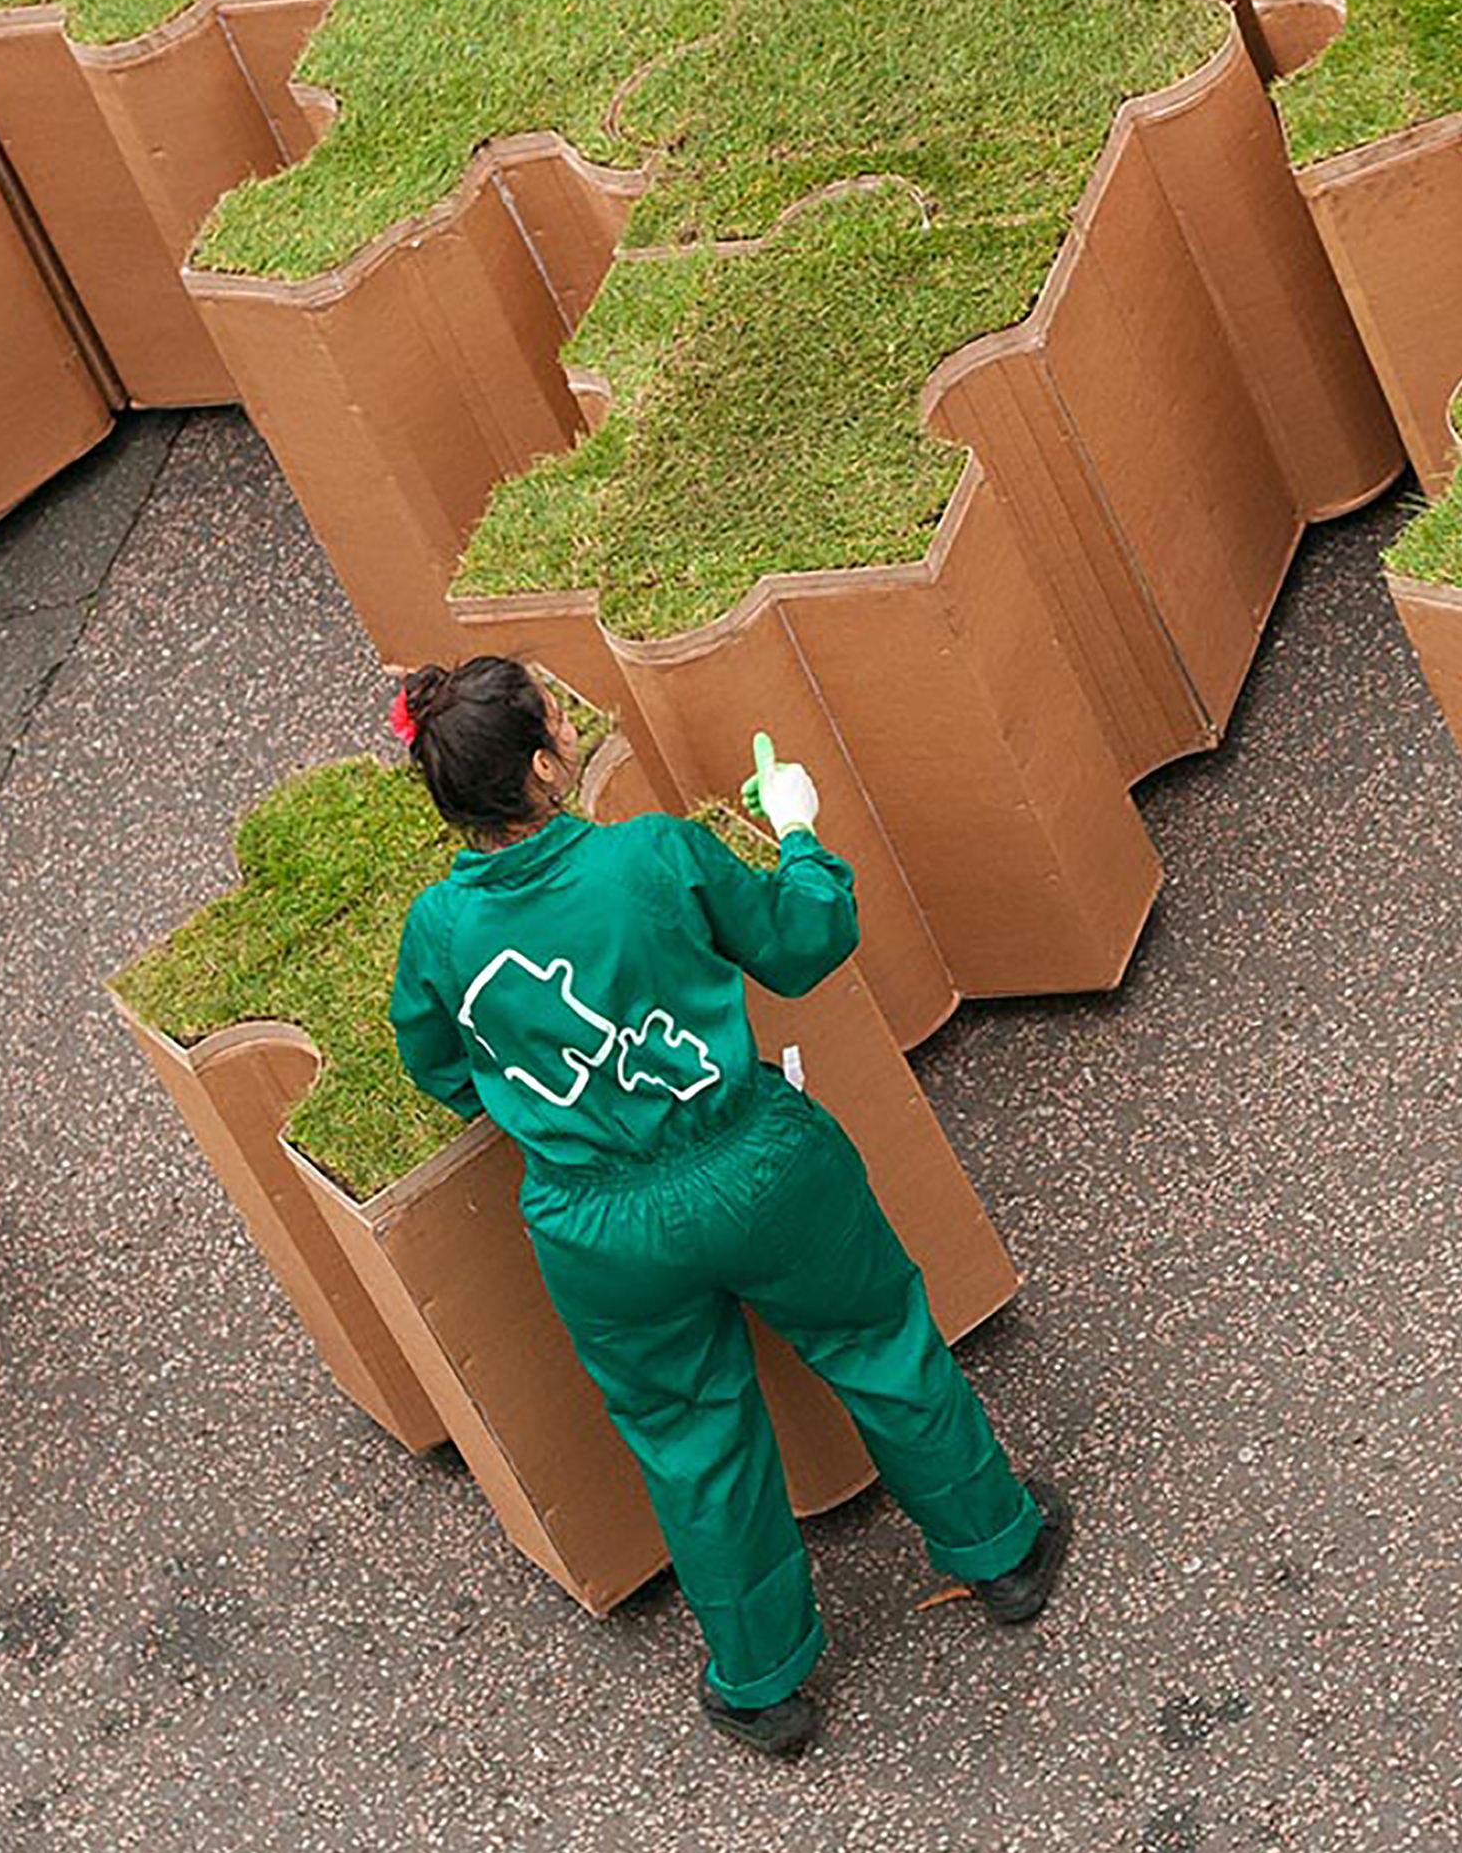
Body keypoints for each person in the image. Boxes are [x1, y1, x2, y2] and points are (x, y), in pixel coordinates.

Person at [384, 656, 1070, 1756]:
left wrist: (554, 1120)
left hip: (594, 1225)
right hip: (755, 1162)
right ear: (545, 766)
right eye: (558, 720)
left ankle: (762, 1684)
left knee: (689, 1436)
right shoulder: (657, 851)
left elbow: (436, 1062)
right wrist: (799, 833)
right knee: (878, 1344)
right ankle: (1001, 1551)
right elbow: (804, 945)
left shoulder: (438, 931)